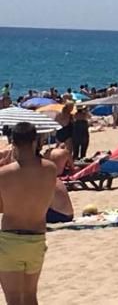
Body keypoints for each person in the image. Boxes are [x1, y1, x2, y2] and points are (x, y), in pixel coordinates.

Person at [0, 122, 58, 305]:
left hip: (10, 240)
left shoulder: (4, 174)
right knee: (31, 296)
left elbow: (3, 208)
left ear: (13, 143)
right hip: (36, 239)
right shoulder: (50, 169)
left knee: (14, 300)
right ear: (36, 141)